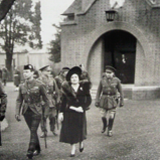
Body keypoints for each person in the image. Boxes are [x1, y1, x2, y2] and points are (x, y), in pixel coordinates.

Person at [15, 64, 50, 159]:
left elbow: (47, 99)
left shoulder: (39, 84)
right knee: (32, 131)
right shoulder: (22, 86)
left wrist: (46, 112)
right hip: (26, 111)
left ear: (32, 73)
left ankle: (30, 149)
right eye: (24, 72)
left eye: (27, 72)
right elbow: (19, 100)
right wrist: (17, 112)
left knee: (34, 129)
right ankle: (38, 149)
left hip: (37, 111)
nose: (25, 74)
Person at [59, 66, 92, 157]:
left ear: (79, 78)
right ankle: (73, 148)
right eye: (72, 78)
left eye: (75, 77)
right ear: (70, 79)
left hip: (80, 111)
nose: (74, 79)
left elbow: (89, 100)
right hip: (69, 112)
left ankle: (81, 142)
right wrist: (61, 113)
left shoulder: (84, 88)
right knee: (71, 130)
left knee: (80, 128)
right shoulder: (66, 89)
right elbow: (63, 102)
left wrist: (83, 107)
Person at [95, 65, 124, 137]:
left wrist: (122, 101)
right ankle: (105, 125)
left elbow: (121, 91)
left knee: (111, 116)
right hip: (103, 100)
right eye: (107, 73)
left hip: (113, 99)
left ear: (113, 73)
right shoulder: (102, 81)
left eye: (110, 73)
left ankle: (110, 129)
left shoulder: (117, 81)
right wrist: (97, 100)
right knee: (103, 115)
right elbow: (99, 91)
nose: (108, 74)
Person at [39, 65, 60, 138]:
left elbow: (56, 90)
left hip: (51, 100)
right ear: (42, 72)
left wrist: (57, 99)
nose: (49, 72)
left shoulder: (52, 80)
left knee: (53, 116)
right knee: (43, 117)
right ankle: (43, 131)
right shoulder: (39, 80)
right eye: (47, 71)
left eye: (49, 71)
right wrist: (40, 100)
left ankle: (53, 129)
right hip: (43, 101)